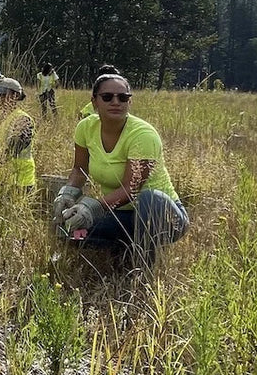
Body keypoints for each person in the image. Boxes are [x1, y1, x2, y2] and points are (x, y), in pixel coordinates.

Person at [52, 66, 187, 264]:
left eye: (123, 97)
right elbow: (80, 169)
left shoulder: (143, 135)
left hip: (162, 215)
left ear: (129, 101)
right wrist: (68, 192)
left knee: (149, 199)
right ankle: (123, 245)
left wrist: (92, 208)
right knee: (69, 230)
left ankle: (143, 265)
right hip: (121, 213)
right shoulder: (85, 128)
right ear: (94, 102)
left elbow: (131, 189)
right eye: (107, 97)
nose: (116, 102)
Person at [0, 75, 36, 193]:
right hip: (1, 179)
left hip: (21, 181)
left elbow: (14, 149)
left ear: (16, 96)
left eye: (2, 95)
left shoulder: (23, 120)